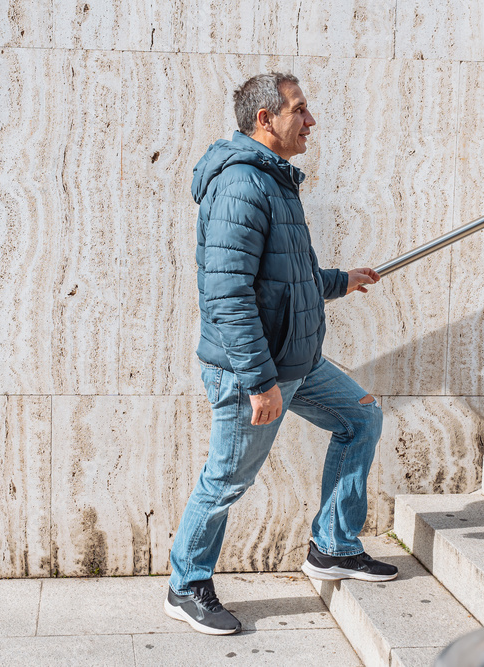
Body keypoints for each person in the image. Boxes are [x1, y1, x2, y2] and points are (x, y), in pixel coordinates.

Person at [164, 72, 398, 636]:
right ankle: (186, 583)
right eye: (300, 110)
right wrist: (258, 381)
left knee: (361, 414)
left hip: (297, 362)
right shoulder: (243, 185)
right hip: (257, 371)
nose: (310, 120)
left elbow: (287, 274)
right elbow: (226, 291)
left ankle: (333, 546)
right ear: (266, 120)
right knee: (227, 479)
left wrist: (341, 281)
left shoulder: (274, 181)